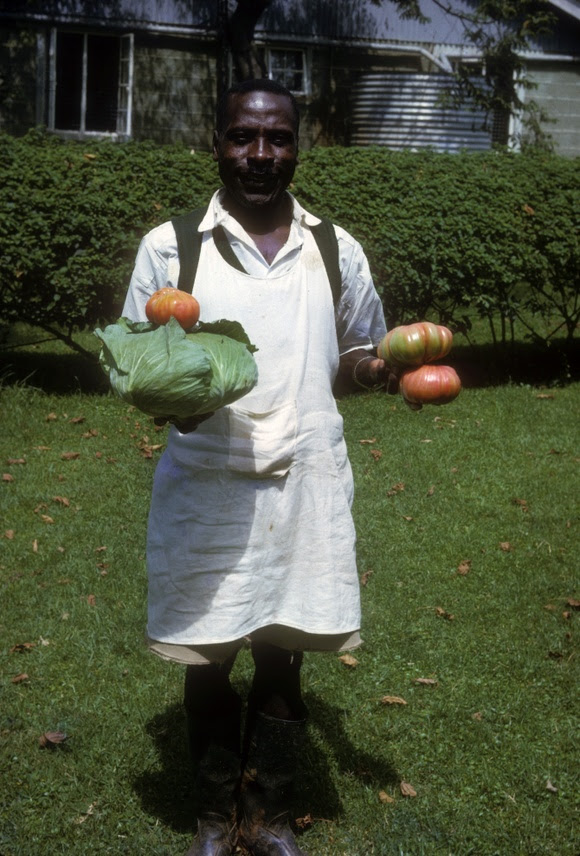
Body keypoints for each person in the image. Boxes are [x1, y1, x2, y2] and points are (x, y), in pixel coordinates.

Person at [122, 78, 401, 856]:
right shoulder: (169, 248)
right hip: (207, 479)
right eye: (244, 136)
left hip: (304, 479)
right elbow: (139, 369)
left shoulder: (333, 247)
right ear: (217, 142)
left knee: (284, 651)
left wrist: (380, 373)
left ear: (296, 148)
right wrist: (171, 404)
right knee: (207, 653)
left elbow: (357, 351)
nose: (260, 155)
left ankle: (271, 816)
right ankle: (216, 816)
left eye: (277, 139)